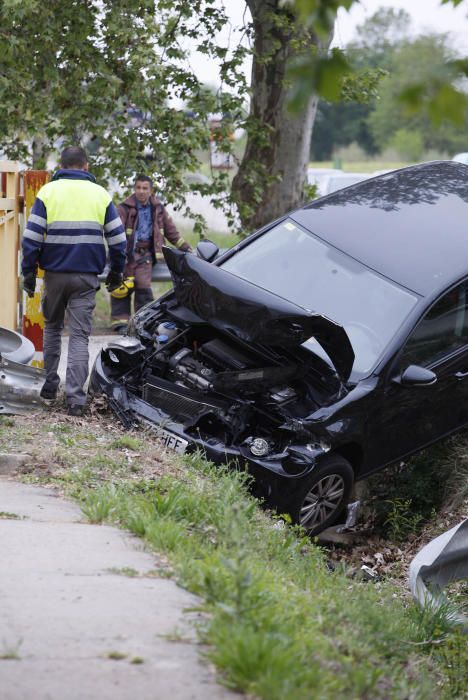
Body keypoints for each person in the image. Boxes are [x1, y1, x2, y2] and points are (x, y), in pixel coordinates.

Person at [21, 146, 126, 416]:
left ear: (62, 166)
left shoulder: (48, 192)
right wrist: (116, 272)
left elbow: (31, 238)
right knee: (79, 336)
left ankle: (48, 386)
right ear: (86, 166)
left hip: (54, 276)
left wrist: (29, 273)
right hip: (86, 277)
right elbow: (118, 239)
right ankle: (75, 400)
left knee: (53, 328)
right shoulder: (100, 194)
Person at [110, 175, 192, 331]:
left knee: (143, 285)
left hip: (146, 255)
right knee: (123, 287)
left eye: (145, 188)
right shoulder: (124, 208)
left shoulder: (158, 209)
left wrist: (186, 248)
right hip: (126, 255)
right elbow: (114, 232)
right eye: (138, 188)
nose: (141, 191)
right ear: (134, 189)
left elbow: (171, 232)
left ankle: (144, 321)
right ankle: (120, 323)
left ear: (151, 190)